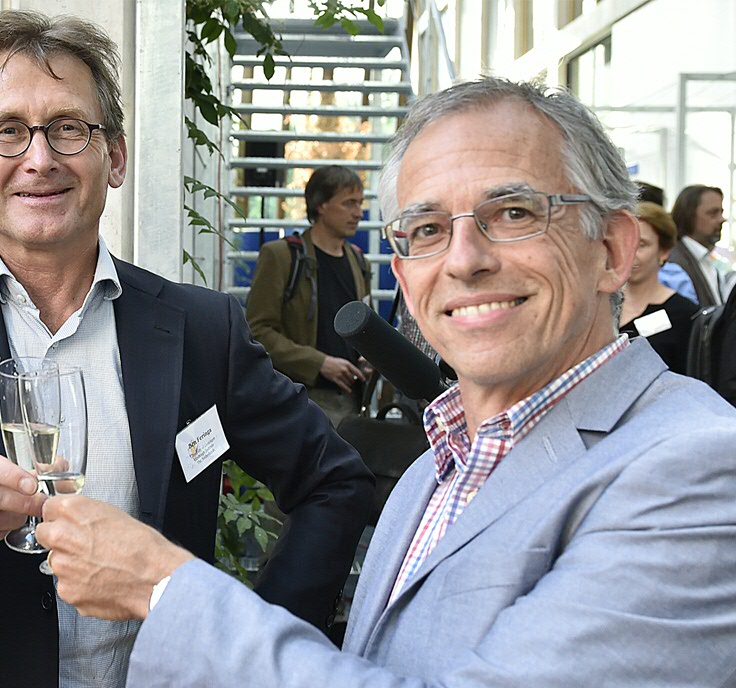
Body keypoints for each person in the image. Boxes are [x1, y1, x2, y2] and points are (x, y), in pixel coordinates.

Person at [36, 77, 736, 686]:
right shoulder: (437, 466)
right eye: (427, 229)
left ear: (612, 250)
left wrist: (164, 590)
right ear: (404, 277)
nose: (463, 260)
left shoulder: (698, 465)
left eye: (514, 213)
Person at [0, 10, 373, 688]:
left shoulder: (202, 329)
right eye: (6, 132)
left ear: (114, 156)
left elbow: (336, 482)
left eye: (68, 128)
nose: (40, 157)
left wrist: (254, 641)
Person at [245, 164, 373, 424]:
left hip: (351, 404)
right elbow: (257, 331)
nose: (358, 213)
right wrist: (319, 363)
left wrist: (370, 357)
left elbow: (363, 327)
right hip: (300, 400)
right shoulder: (281, 256)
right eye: (348, 203)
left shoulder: (359, 262)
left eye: (360, 203)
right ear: (321, 205)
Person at [619, 202, 698, 371]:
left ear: (664, 251)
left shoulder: (685, 315)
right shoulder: (602, 306)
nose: (630, 253)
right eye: (625, 243)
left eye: (641, 245)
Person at [663, 184, 728, 307]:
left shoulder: (706, 258)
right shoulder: (673, 261)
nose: (721, 219)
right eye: (713, 213)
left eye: (721, 212)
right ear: (689, 216)